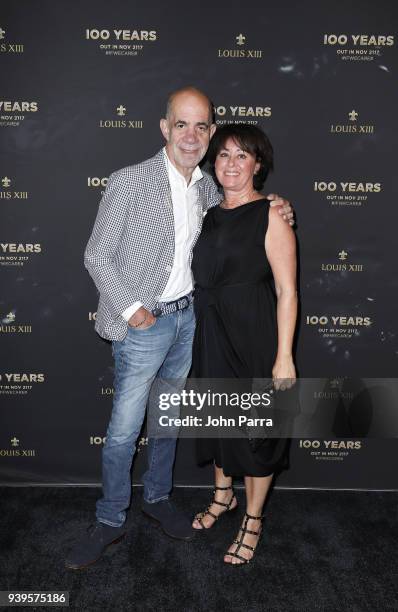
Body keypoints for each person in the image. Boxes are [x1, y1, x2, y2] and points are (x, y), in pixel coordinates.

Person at [65, 87, 294, 569]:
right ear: (165, 127)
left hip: (193, 321)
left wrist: (279, 204)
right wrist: (133, 309)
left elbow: (248, 210)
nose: (192, 135)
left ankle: (158, 499)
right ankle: (109, 519)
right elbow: (96, 256)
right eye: (182, 124)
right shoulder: (129, 181)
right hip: (144, 325)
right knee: (126, 430)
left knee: (168, 421)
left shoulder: (209, 188)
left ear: (210, 133)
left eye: (202, 126)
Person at [191, 123, 297, 565]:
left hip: (255, 336)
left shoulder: (270, 215)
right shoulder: (207, 215)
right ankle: (223, 497)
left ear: (258, 164)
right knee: (218, 419)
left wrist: (284, 357)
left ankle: (252, 519)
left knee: (257, 433)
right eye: (223, 155)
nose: (231, 164)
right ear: (212, 163)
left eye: (241, 155)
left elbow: (288, 291)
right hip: (211, 332)